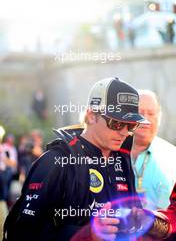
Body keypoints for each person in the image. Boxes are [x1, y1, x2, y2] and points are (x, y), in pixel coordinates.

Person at [3, 77, 157, 241]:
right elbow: (21, 234)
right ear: (91, 116)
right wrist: (88, 235)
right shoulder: (56, 161)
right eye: (117, 123)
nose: (125, 132)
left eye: (131, 125)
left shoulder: (121, 159)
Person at [131, 90, 176, 210]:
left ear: (159, 116)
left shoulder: (173, 156)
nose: (145, 119)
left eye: (151, 113)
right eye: (140, 113)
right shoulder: (112, 153)